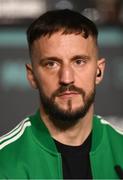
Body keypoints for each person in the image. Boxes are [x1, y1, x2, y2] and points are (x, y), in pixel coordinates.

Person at [0, 9, 123, 179]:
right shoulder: (5, 163)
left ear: (99, 71)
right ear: (32, 76)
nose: (67, 78)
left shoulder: (120, 150)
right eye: (51, 64)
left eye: (79, 62)